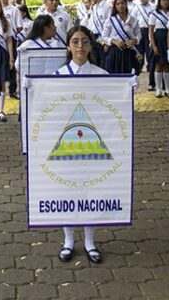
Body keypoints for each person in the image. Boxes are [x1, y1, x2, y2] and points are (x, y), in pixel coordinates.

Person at [52, 25, 108, 264]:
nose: (80, 46)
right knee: (68, 191)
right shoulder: (57, 76)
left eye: (85, 41)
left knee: (90, 191)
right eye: (75, 41)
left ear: (91, 45)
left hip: (92, 143)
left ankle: (90, 241)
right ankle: (68, 241)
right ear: (68, 46)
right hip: (67, 143)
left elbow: (110, 109)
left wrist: (127, 90)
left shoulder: (102, 75)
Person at [102, 0, 140, 74]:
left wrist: (134, 40)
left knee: (128, 75)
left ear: (126, 4)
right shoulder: (110, 20)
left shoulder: (133, 20)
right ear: (115, 7)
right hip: (115, 52)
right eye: (118, 4)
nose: (120, 6)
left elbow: (138, 34)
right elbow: (104, 36)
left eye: (122, 3)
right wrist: (114, 41)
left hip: (129, 51)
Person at [149, 0, 169, 98]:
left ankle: (167, 89)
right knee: (158, 65)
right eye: (163, 0)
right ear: (159, 1)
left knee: (167, 66)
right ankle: (158, 89)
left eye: (167, 0)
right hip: (158, 39)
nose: (166, 2)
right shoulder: (154, 14)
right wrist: (153, 45)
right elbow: (150, 31)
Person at [130, 0, 155, 90]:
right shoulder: (137, 8)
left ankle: (151, 82)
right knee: (139, 56)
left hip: (149, 31)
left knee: (150, 56)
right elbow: (132, 21)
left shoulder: (152, 7)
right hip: (139, 32)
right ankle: (136, 79)